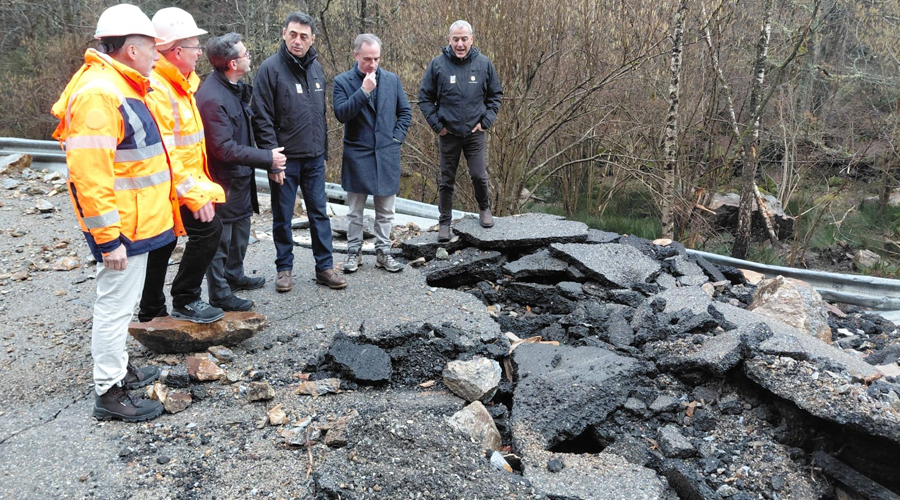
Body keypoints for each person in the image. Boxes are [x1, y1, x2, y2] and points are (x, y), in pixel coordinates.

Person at [50, 4, 173, 421]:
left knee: (123, 300)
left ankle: (119, 370)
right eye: (151, 46)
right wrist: (108, 239)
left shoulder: (121, 85)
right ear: (132, 49)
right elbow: (90, 176)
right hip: (122, 226)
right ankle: (109, 391)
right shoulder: (100, 95)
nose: (158, 54)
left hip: (134, 221)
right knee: (115, 305)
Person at [139, 7, 226, 322]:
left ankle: (151, 310)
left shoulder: (180, 83)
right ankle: (185, 300)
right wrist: (194, 194)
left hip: (174, 181)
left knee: (163, 242)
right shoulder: (160, 89)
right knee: (206, 230)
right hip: (168, 182)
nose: (200, 53)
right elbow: (168, 150)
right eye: (194, 47)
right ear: (176, 51)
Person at [252, 12, 347, 292]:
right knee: (283, 215)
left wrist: (324, 152)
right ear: (284, 34)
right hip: (285, 159)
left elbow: (320, 115)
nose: (298, 40)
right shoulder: (270, 69)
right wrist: (273, 159)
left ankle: (324, 267)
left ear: (312, 39)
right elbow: (262, 117)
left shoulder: (317, 69)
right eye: (293, 34)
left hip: (314, 158)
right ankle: (284, 269)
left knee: (319, 213)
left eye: (304, 36)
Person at [196, 33, 287, 310]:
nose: (250, 56)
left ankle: (234, 276)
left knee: (240, 233)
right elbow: (223, 148)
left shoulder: (233, 88)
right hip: (222, 181)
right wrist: (266, 159)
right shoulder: (212, 98)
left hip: (240, 179)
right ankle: (220, 293)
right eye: (245, 53)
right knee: (220, 240)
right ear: (233, 63)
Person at [418, 20, 503, 242]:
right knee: (446, 180)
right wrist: (438, 126)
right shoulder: (438, 65)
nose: (460, 43)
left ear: (472, 39)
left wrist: (486, 122)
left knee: (479, 175)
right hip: (449, 134)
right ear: (449, 40)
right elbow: (424, 98)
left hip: (475, 132)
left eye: (464, 39)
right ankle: (444, 222)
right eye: (455, 39)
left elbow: (495, 96)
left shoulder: (484, 64)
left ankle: (484, 209)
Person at [333, 34, 412, 273]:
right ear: (356, 55)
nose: (373, 64)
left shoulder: (392, 80)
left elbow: (405, 113)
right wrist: (363, 91)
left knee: (386, 211)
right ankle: (353, 253)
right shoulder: (342, 81)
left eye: (376, 58)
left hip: (386, 155)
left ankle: (383, 252)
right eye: (368, 59)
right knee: (355, 212)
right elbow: (341, 114)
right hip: (357, 155)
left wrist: (395, 139)